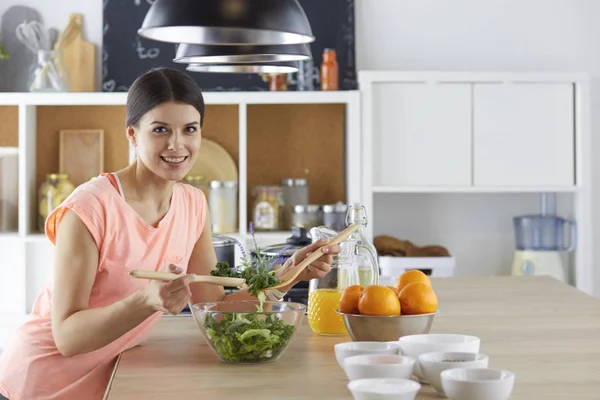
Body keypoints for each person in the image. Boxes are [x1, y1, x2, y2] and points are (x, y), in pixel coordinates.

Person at [0, 67, 341, 400]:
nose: (177, 145)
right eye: (160, 129)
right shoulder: (89, 207)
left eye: (189, 129)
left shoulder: (193, 204)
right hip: (42, 383)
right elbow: (67, 337)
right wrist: (146, 301)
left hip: (111, 381)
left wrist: (289, 274)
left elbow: (214, 305)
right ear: (132, 134)